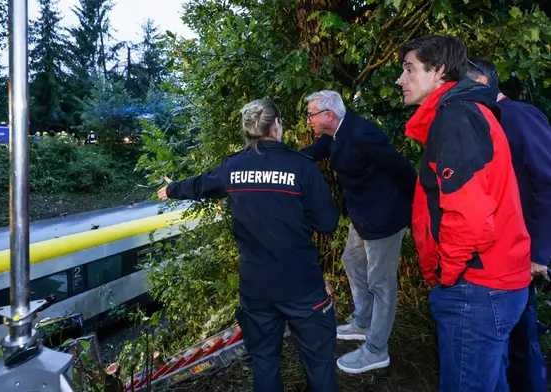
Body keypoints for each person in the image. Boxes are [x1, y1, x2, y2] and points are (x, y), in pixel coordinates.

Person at [157, 99, 340, 392]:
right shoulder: (301, 167)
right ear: (277, 125)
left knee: (264, 363)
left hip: (256, 289)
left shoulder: (233, 167)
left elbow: (201, 185)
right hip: (301, 286)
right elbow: (328, 223)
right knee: (319, 364)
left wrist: (172, 188)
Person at [397, 35, 530, 391]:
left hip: (476, 285)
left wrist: (447, 274)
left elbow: (470, 217)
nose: (400, 79)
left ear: (439, 71)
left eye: (409, 69)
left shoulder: (456, 117)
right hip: (491, 281)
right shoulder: (464, 112)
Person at [300, 90, 417, 374]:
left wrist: (418, 204)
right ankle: (362, 323)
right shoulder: (335, 134)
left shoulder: (363, 134)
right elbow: (310, 154)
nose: (308, 121)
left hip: (384, 218)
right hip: (361, 216)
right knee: (352, 261)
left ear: (329, 115)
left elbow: (402, 169)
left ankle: (377, 349)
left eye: (311, 115)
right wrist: (277, 158)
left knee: (381, 284)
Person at [466, 56, 550, 392]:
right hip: (501, 255)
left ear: (482, 83)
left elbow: (547, 182)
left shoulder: (518, 116)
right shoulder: (486, 121)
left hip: (525, 253)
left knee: (522, 339)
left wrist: (540, 253)